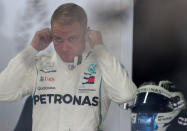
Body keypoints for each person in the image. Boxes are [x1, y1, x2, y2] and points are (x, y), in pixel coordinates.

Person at [0, 3, 137, 131]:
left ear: (86, 34)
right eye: (58, 39)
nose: (65, 48)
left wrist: (100, 48)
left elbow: (127, 96)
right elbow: (3, 91)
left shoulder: (102, 68)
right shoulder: (40, 66)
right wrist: (32, 49)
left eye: (72, 39)